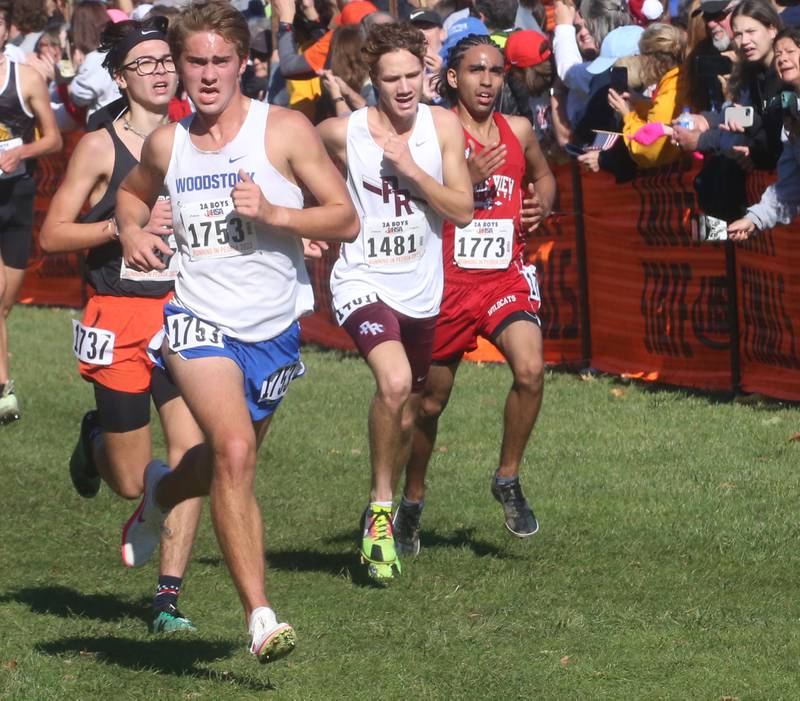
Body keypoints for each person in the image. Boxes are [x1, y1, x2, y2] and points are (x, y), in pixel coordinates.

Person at [115, 0, 358, 662]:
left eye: (223, 60)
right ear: (179, 66)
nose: (210, 73)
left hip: (274, 330)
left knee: (226, 461)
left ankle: (161, 490)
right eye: (196, 60)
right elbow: (132, 194)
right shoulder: (168, 141)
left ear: (245, 63)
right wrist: (134, 230)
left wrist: (278, 211)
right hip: (195, 319)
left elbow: (344, 218)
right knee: (234, 451)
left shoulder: (282, 130)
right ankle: (260, 615)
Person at [39, 17, 205, 635]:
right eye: (147, 63)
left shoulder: (200, 135)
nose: (162, 71)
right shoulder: (100, 144)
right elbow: (53, 232)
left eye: (169, 60)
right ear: (119, 76)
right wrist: (120, 228)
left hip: (186, 313)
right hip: (119, 314)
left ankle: (166, 599)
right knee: (134, 478)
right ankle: (95, 439)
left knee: (191, 454)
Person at [317, 21, 473, 582]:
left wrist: (411, 172)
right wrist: (307, 223)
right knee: (391, 383)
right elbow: (292, 165)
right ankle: (382, 512)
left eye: (413, 74)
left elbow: (461, 210)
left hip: (421, 289)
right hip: (361, 279)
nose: (405, 87)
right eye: (392, 78)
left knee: (409, 407)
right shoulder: (344, 132)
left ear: (426, 72)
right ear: (372, 79)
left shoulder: (444, 127)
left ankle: (378, 508)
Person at [394, 34, 556, 555]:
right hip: (447, 285)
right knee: (431, 403)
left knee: (531, 370)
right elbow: (410, 188)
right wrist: (463, 174)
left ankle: (507, 478)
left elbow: (544, 174)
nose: (486, 81)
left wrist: (544, 202)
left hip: (504, 279)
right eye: (475, 71)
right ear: (453, 78)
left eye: (495, 71)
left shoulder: (520, 130)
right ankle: (412, 502)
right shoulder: (433, 132)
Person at [0, 0, 61, 424]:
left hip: (17, 196)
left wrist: (23, 148)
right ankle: (5, 389)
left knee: (5, 306)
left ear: (8, 30)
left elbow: (55, 140)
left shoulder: (24, 79)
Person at [728, 27, 800, 238]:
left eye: (790, 51)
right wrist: (754, 219)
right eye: (778, 54)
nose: (782, 59)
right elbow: (788, 187)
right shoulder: (790, 112)